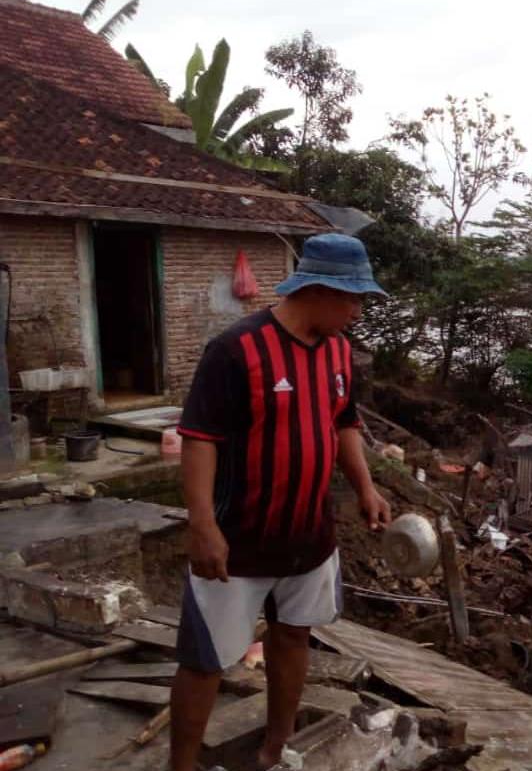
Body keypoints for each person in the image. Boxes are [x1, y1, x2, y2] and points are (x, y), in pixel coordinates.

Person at [169, 233, 393, 771]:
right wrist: (202, 525)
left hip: (309, 536)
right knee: (205, 660)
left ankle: (275, 749)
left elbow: (343, 422)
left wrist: (365, 487)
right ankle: (180, 766)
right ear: (317, 290)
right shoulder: (235, 350)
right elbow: (199, 438)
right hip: (239, 539)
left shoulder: (339, 351)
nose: (358, 312)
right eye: (353, 298)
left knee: (294, 637)